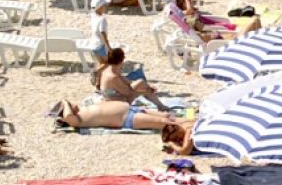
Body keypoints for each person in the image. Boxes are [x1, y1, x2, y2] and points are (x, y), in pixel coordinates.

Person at [58, 98, 193, 153]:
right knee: (166, 123)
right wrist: (64, 102)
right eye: (69, 105)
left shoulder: (82, 110)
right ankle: (192, 127)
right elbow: (69, 118)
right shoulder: (76, 119)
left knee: (168, 116)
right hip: (126, 118)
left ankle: (194, 121)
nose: (72, 103)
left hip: (132, 109)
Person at [96, 48, 169, 112]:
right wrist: (145, 92)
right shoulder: (113, 77)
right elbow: (128, 93)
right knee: (142, 85)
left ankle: (160, 106)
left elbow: (128, 82)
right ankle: (161, 106)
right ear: (121, 60)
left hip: (112, 98)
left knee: (141, 82)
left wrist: (148, 87)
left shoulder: (108, 70)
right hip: (117, 103)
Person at [88, 0, 112, 64]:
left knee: (101, 64)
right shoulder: (102, 19)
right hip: (101, 46)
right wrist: (109, 47)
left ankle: (95, 73)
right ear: (100, 7)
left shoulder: (92, 16)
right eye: (105, 5)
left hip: (93, 45)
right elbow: (103, 33)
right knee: (107, 64)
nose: (106, 7)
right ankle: (96, 73)